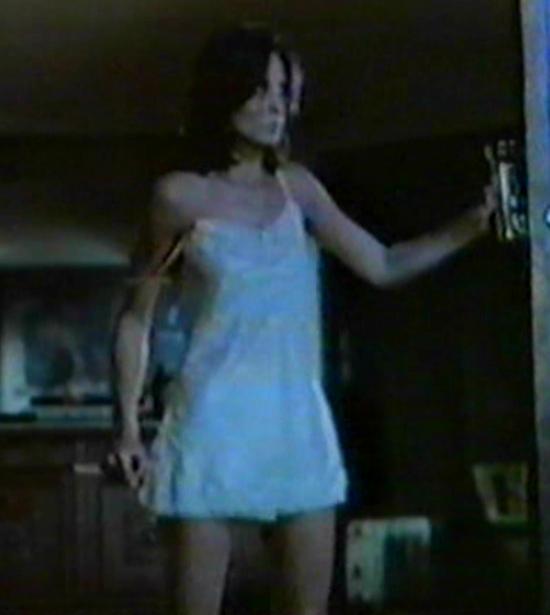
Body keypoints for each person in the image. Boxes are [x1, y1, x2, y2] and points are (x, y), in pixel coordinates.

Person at [111, 24, 497, 615]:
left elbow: (384, 264)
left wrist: (470, 226)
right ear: (223, 94)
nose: (276, 106)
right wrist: (128, 428)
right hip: (212, 422)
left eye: (283, 92)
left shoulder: (299, 190)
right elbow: (136, 317)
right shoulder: (179, 197)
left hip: (296, 421)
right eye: (260, 90)